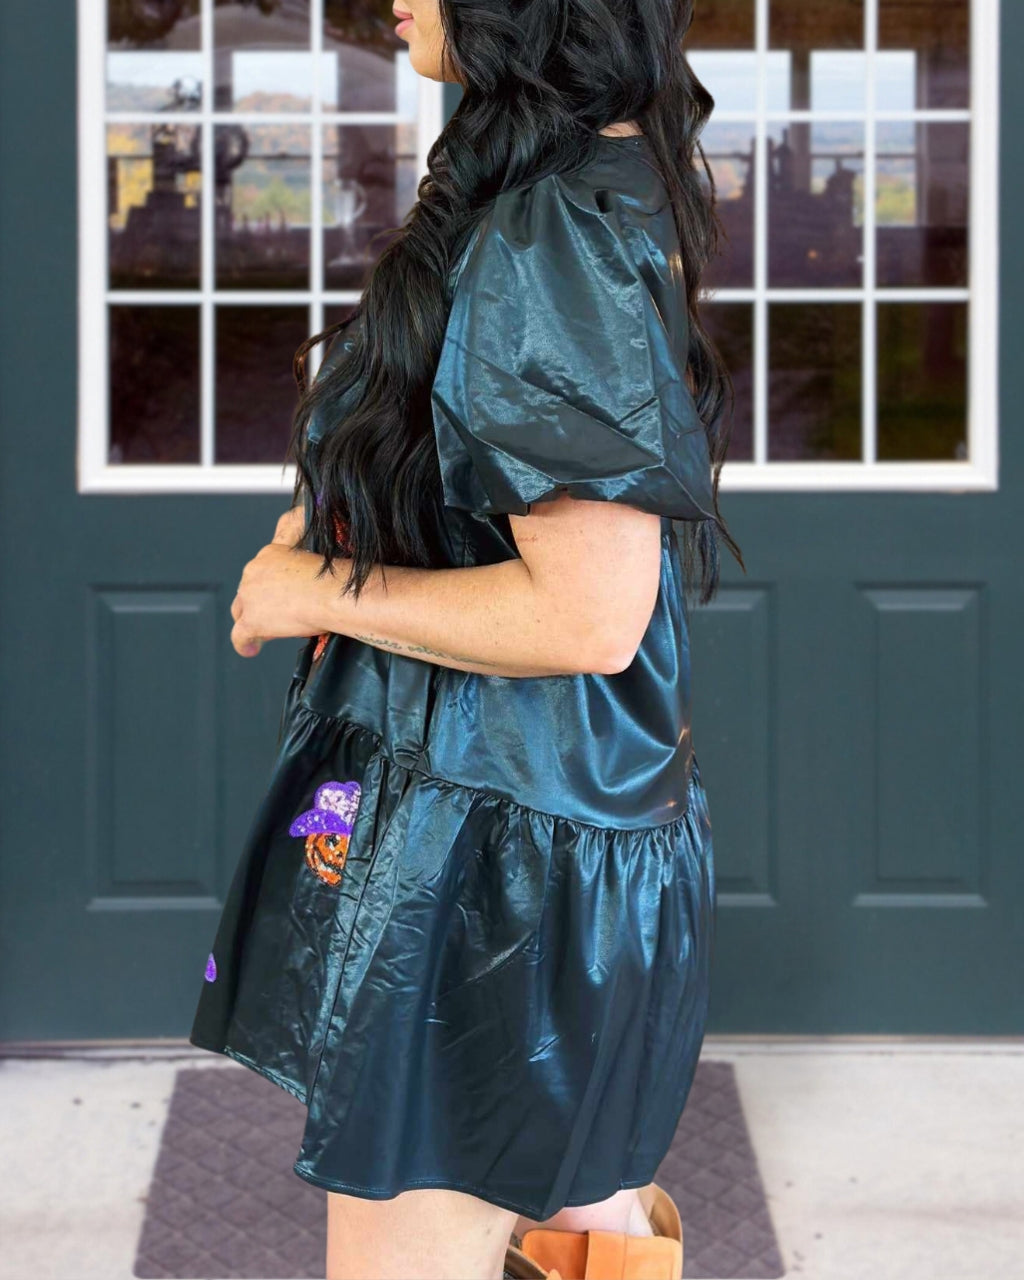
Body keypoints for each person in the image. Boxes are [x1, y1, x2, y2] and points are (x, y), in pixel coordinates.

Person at [189, 0, 745, 1276]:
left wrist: (316, 584)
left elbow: (587, 613)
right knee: (576, 1214)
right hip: (552, 822)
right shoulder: (589, 174)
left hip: (489, 855)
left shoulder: (544, 234)